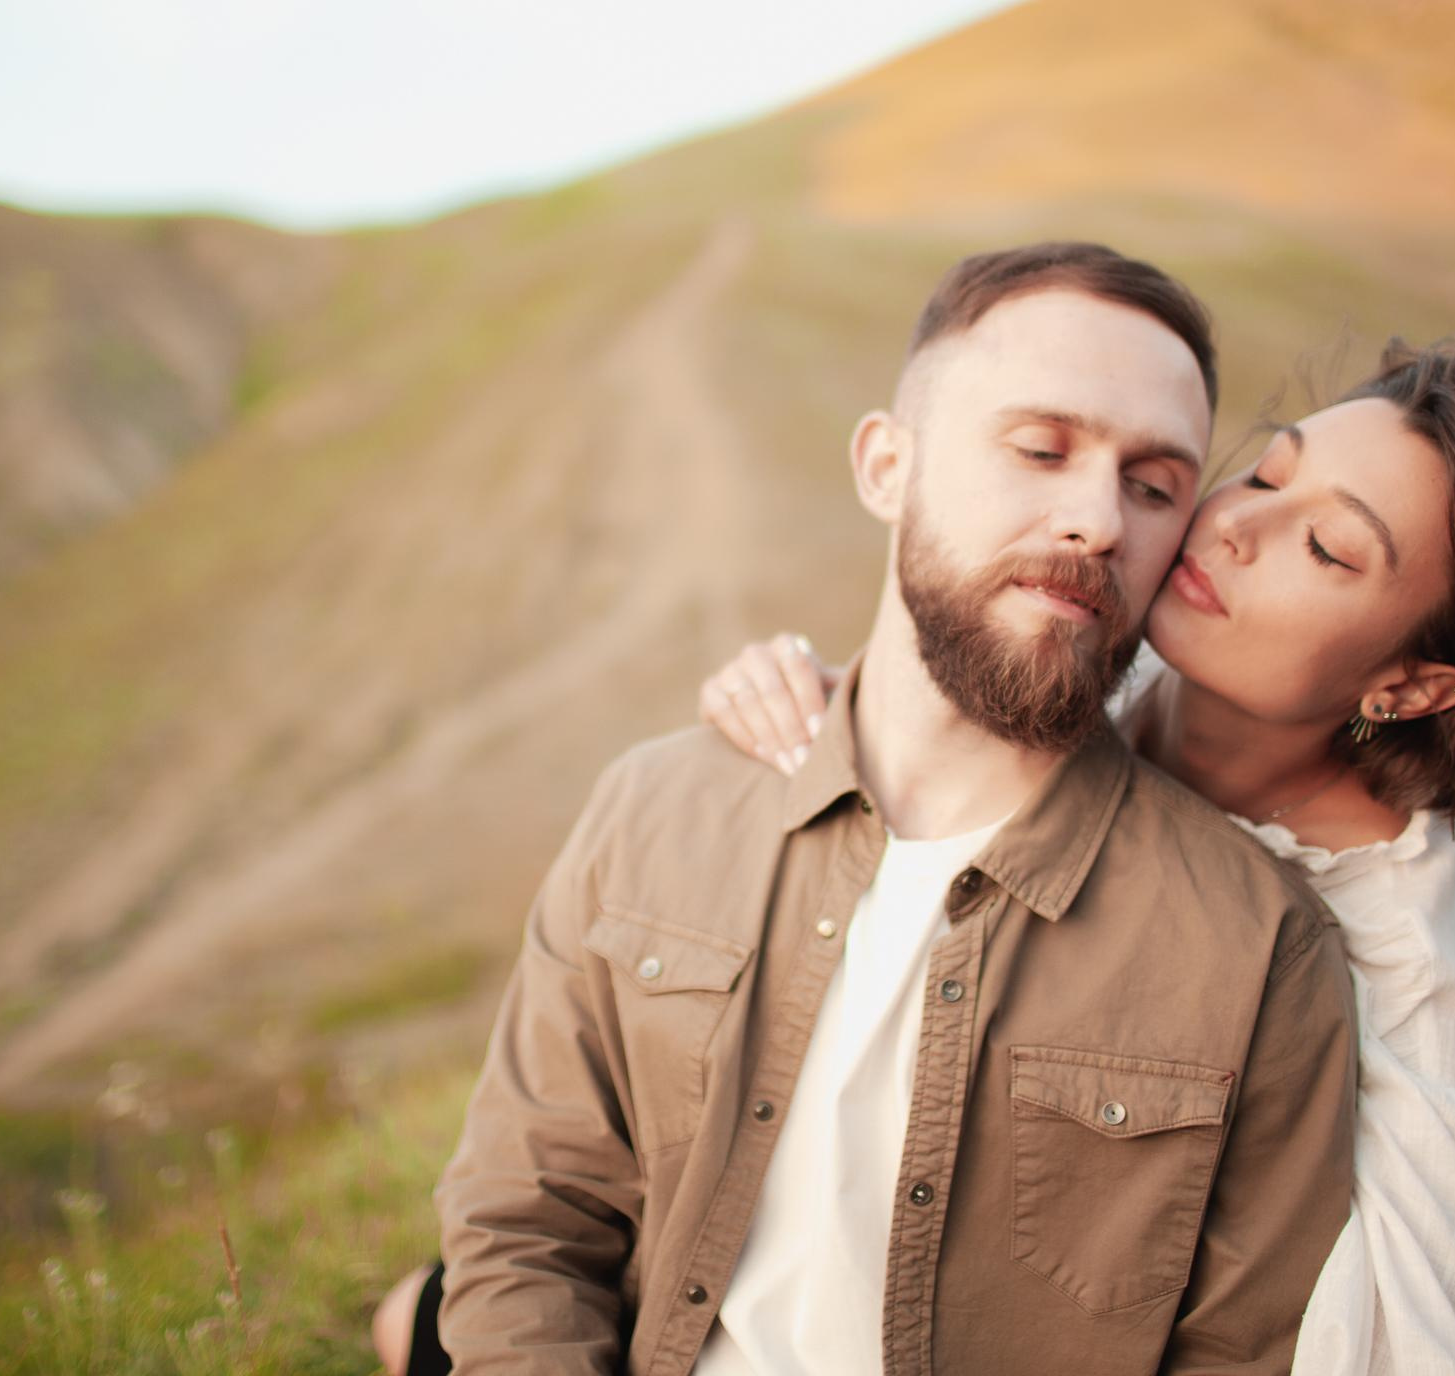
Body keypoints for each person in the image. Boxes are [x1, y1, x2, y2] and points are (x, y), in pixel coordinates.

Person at [390, 242, 1363, 1376]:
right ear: (885, 467)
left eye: (1153, 486)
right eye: (1042, 448)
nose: (1097, 518)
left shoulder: (1259, 947)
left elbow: (1243, 1355)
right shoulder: (651, 811)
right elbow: (526, 1227)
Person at [689, 341, 1455, 1374]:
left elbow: (1431, 1343)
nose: (1234, 523)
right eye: (1269, 471)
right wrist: (810, 690)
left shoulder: (1401, 990)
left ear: (1411, 688)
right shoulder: (1130, 640)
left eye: (1323, 546)